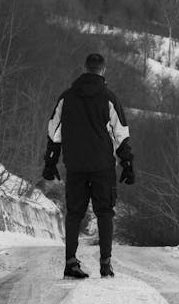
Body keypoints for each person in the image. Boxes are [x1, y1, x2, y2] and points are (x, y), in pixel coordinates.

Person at [43, 53, 135, 279]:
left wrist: (50, 161)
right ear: (103, 71)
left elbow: (54, 131)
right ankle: (105, 264)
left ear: (84, 69)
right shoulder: (109, 98)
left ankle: (70, 263)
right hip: (102, 166)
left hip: (75, 166)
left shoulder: (67, 97)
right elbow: (120, 134)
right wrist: (127, 163)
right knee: (105, 213)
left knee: (74, 213)